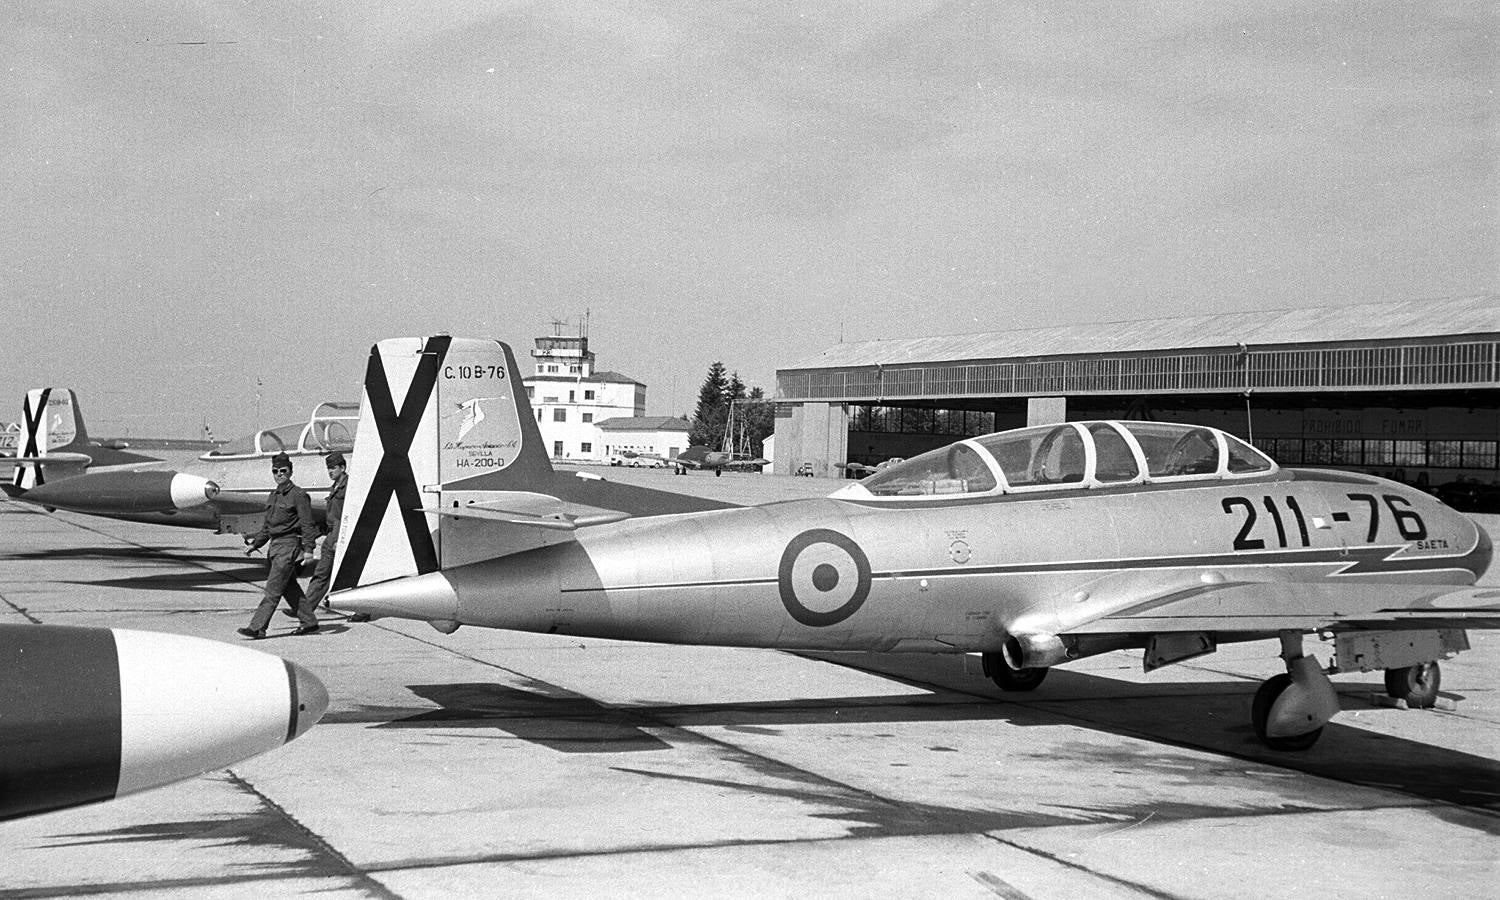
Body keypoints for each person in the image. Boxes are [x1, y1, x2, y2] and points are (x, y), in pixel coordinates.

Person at [237, 452, 320, 639]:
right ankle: (309, 622)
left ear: (290, 472)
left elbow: (308, 524)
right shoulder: (273, 496)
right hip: (274, 548)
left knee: (273, 590)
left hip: (288, 546)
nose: (279, 474)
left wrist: (308, 550)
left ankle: (257, 627)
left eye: (283, 471)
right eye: (275, 471)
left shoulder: (299, 495)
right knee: (289, 587)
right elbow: (267, 527)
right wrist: (254, 545)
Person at [303, 451, 347, 609]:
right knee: (323, 573)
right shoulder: (335, 487)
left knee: (332, 573)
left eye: (333, 468)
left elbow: (347, 516)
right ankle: (305, 609)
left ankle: (305, 609)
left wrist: (339, 539)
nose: (330, 471)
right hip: (331, 534)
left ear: (342, 467)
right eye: (328, 468)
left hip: (339, 536)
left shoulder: (349, 487)